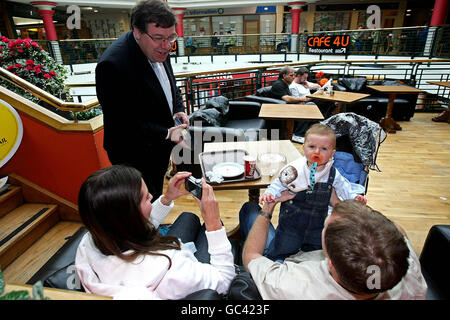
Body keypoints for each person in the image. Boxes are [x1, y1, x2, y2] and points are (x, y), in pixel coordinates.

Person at [75, 165, 236, 299]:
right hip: (182, 273)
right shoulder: (172, 273)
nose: (152, 196)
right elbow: (225, 281)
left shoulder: (91, 241)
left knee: (189, 217)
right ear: (130, 216)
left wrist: (167, 198)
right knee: (212, 228)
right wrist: (213, 223)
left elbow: (131, 228)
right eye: (146, 198)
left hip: (149, 260)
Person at [241, 199, 428, 300]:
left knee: (250, 211)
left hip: (284, 264)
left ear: (330, 262)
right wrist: (363, 219)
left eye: (326, 226)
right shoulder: (407, 269)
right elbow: (399, 231)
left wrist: (267, 211)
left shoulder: (291, 284)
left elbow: (251, 256)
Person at [95, 0, 189, 201]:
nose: (166, 46)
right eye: (159, 38)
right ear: (138, 33)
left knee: (155, 193)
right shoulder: (112, 65)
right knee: (141, 203)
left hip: (159, 146)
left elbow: (170, 85)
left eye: (171, 37)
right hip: (133, 153)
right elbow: (123, 122)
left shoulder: (159, 46)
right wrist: (167, 133)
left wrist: (179, 108)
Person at [241, 123, 367, 262]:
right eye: (312, 147)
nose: (317, 152)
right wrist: (270, 193)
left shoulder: (332, 173)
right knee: (282, 248)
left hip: (317, 225)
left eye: (324, 148)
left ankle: (308, 261)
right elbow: (278, 183)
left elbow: (344, 187)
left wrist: (354, 197)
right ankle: (276, 261)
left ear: (332, 153)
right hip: (291, 225)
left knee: (316, 252)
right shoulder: (295, 169)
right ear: (304, 148)